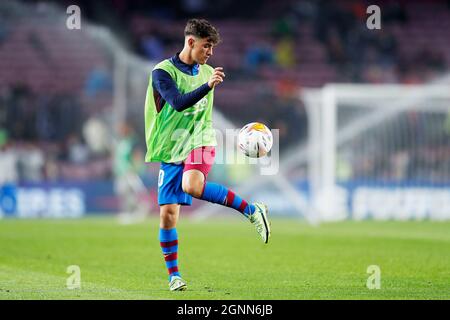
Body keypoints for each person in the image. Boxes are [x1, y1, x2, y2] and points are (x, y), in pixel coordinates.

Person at [144, 19, 271, 292]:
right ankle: (174, 276)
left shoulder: (208, 71)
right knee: (167, 214)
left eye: (212, 47)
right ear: (191, 42)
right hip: (170, 147)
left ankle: (251, 210)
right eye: (207, 45)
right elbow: (177, 103)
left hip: (200, 140)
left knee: (192, 186)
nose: (210, 52)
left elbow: (199, 112)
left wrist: (209, 85)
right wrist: (208, 87)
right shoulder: (162, 72)